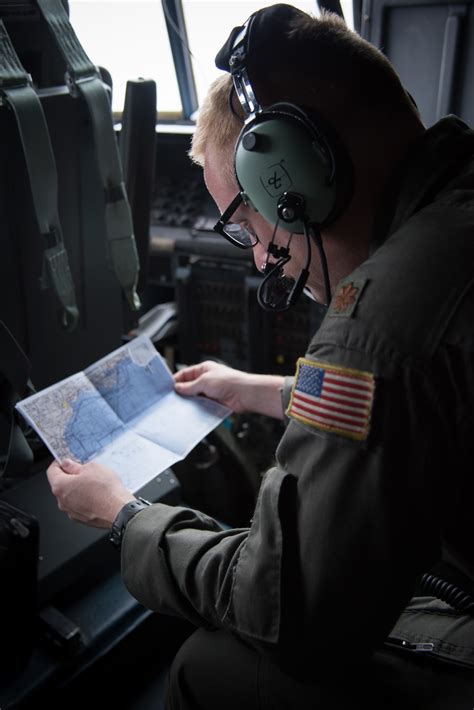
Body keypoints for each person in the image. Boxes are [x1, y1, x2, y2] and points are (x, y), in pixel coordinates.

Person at [47, 4, 474, 708]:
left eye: (249, 222)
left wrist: (123, 515)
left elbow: (289, 610)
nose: (264, 259)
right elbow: (420, 403)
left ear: (298, 181)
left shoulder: (377, 321)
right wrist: (263, 389)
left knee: (209, 667)